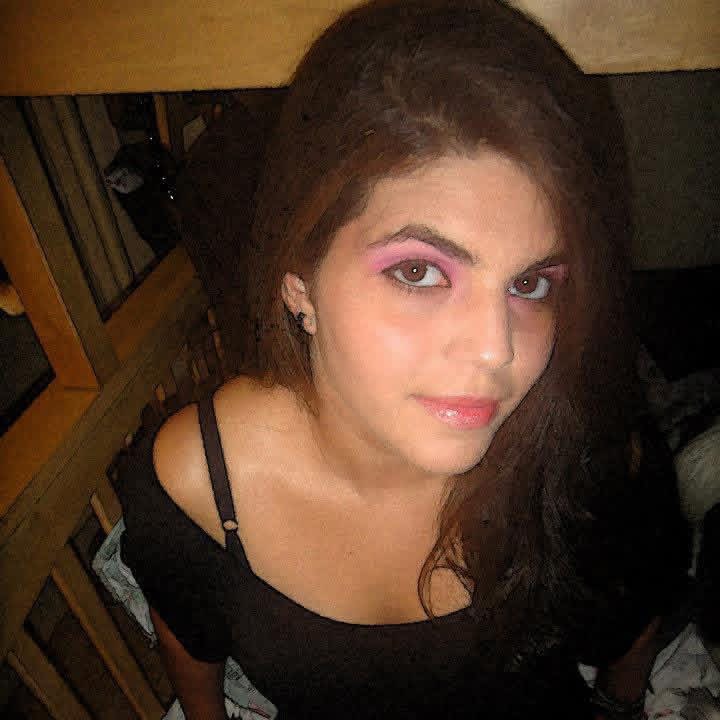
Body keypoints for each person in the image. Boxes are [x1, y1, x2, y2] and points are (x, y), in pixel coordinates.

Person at [118, 1, 689, 718]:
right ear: (299, 283)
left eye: (530, 284)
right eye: (419, 272)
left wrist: (619, 706)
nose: (497, 349)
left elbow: (636, 618)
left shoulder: (584, 452)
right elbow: (187, 636)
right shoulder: (199, 487)